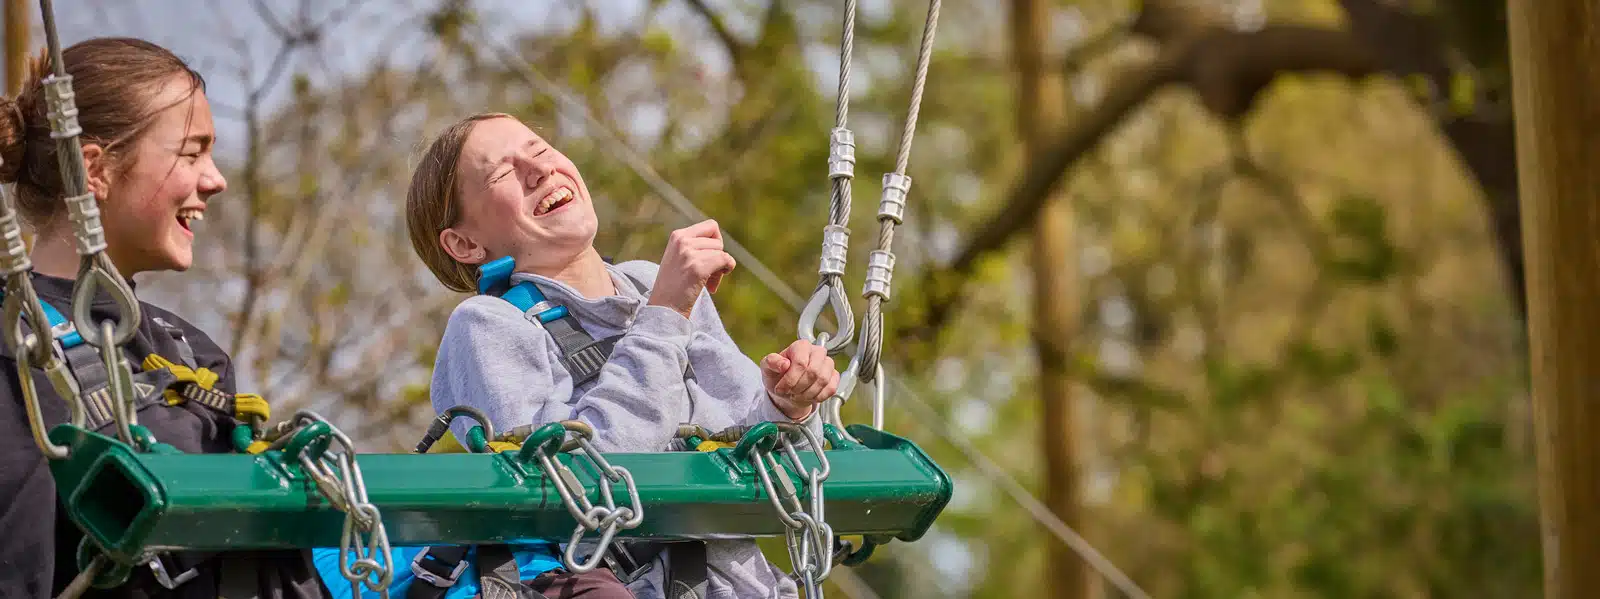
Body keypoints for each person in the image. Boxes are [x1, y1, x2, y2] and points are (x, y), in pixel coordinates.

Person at [390, 111, 841, 599]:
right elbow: (580, 489)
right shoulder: (486, 325)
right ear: (464, 243)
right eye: (502, 173)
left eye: (539, 149)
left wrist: (789, 406)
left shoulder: (649, 282)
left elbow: (776, 473)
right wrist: (666, 314)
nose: (538, 170)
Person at [0, 38, 328, 599]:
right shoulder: (18, 349)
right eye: (191, 152)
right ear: (93, 170)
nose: (216, 179)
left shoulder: (186, 350)